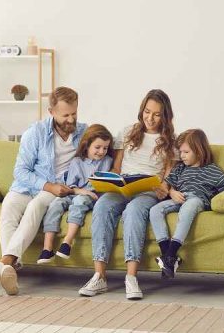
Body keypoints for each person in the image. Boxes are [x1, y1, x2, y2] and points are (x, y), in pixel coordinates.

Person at [0, 87, 86, 295]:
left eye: (74, 113)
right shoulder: (36, 132)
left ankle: (4, 264)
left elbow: (102, 148)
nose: (71, 119)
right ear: (51, 112)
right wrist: (47, 185)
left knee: (35, 207)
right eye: (65, 115)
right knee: (9, 207)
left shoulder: (84, 133)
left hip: (56, 189)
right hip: (32, 185)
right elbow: (20, 171)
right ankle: (8, 268)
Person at [78, 89, 177, 300]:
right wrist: (106, 179)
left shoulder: (170, 141)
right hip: (124, 187)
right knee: (102, 206)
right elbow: (117, 167)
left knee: (133, 212)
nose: (150, 118)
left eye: (157, 114)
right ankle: (99, 276)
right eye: (147, 112)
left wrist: (164, 187)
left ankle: (131, 278)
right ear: (141, 110)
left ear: (165, 116)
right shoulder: (128, 132)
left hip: (148, 190)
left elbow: (169, 176)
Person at [149, 129, 224, 278]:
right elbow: (169, 186)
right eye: (180, 152)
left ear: (199, 151)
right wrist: (172, 193)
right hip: (179, 198)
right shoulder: (180, 168)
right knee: (155, 210)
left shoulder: (211, 170)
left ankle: (172, 252)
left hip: (197, 200)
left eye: (186, 152)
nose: (181, 156)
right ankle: (167, 256)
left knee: (189, 207)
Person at [38, 124, 114, 264]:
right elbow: (71, 187)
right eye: (97, 147)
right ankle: (47, 249)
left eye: (105, 148)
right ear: (87, 145)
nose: (101, 151)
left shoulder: (107, 162)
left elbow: (103, 185)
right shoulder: (77, 161)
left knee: (80, 202)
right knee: (55, 204)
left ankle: (67, 242)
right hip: (74, 192)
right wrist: (80, 191)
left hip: (91, 197)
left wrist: (88, 192)